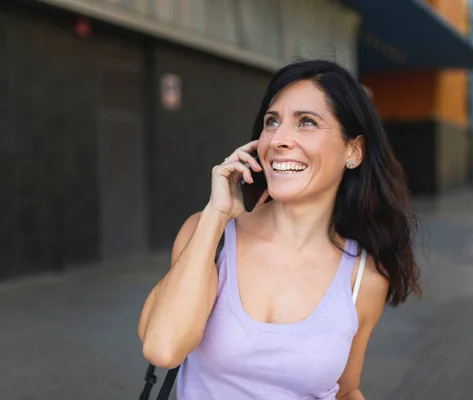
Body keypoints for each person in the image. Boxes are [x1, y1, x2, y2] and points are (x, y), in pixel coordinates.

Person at [137, 59, 420, 399]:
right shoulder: (210, 237)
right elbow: (163, 349)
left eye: (306, 123)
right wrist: (216, 215)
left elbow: (345, 391)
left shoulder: (364, 277)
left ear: (353, 150)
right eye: (272, 121)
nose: (279, 139)